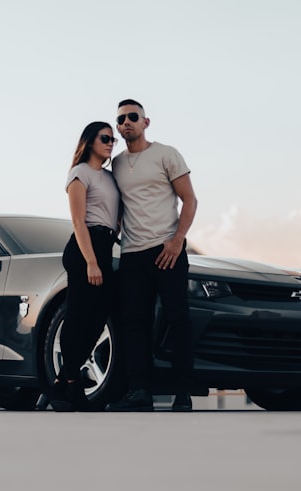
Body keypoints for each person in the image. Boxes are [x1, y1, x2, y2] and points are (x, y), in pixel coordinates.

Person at [105, 99, 198, 412]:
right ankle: (139, 392)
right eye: (121, 119)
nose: (127, 122)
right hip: (132, 254)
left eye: (133, 116)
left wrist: (176, 242)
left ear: (146, 122)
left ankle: (182, 393)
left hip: (167, 250)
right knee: (134, 323)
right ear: (118, 127)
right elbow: (119, 208)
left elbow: (190, 200)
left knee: (178, 319)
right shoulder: (116, 164)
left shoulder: (166, 154)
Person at [47, 121, 122, 412]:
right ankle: (71, 385)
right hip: (83, 249)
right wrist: (91, 261)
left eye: (113, 140)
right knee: (77, 316)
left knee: (99, 316)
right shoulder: (79, 173)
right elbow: (78, 221)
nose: (110, 143)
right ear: (90, 141)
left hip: (104, 246)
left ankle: (64, 380)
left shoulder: (110, 177)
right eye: (105, 138)